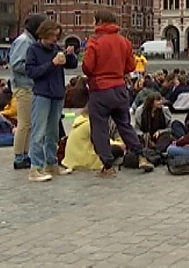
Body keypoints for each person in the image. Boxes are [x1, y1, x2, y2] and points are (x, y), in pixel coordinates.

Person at [82, 10, 153, 177]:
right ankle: (141, 155)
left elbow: (87, 67)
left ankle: (107, 165)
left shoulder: (95, 41)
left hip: (100, 89)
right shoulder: (124, 42)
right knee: (125, 125)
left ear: (99, 22)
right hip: (120, 88)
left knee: (99, 128)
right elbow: (130, 67)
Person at [25, 20, 78, 182]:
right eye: (52, 36)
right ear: (44, 34)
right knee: (39, 131)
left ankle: (51, 163)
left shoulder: (56, 48)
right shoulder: (33, 50)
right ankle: (35, 167)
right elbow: (31, 72)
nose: (55, 39)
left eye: (57, 36)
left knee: (53, 132)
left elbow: (72, 65)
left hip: (57, 94)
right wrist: (51, 63)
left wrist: (70, 55)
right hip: (42, 94)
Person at [62, 77, 125, 171]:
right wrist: (120, 144)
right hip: (83, 162)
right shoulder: (90, 124)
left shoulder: (81, 121)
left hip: (71, 160)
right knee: (115, 151)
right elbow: (104, 141)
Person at [8, 13, 46, 170]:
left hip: (28, 86)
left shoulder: (29, 41)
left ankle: (24, 153)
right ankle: (19, 156)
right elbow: (17, 64)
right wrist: (34, 68)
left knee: (28, 123)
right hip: (23, 86)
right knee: (24, 123)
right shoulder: (24, 42)